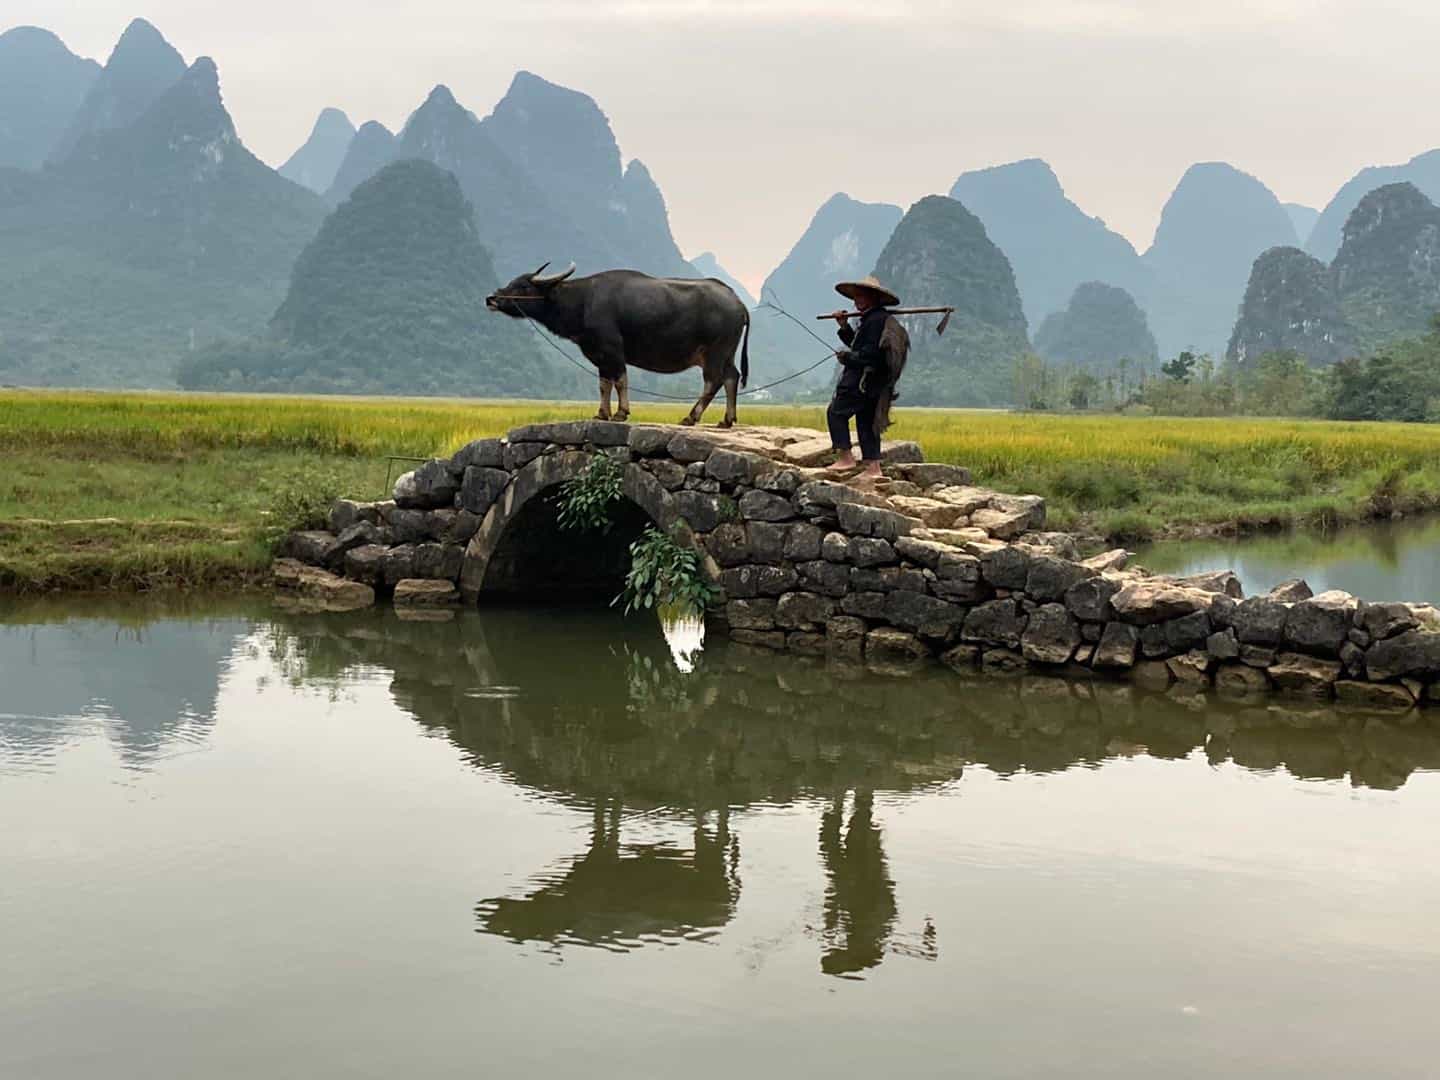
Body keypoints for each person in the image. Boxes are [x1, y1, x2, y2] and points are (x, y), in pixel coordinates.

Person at [825, 275, 909, 480]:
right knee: (866, 422)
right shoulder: (875, 319)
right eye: (856, 296)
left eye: (862, 296)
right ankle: (873, 468)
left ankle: (846, 458)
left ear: (874, 297)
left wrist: (847, 357)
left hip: (861, 381)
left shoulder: (874, 321)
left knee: (836, 412)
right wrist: (844, 326)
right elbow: (859, 344)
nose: (857, 300)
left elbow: (870, 355)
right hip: (873, 384)